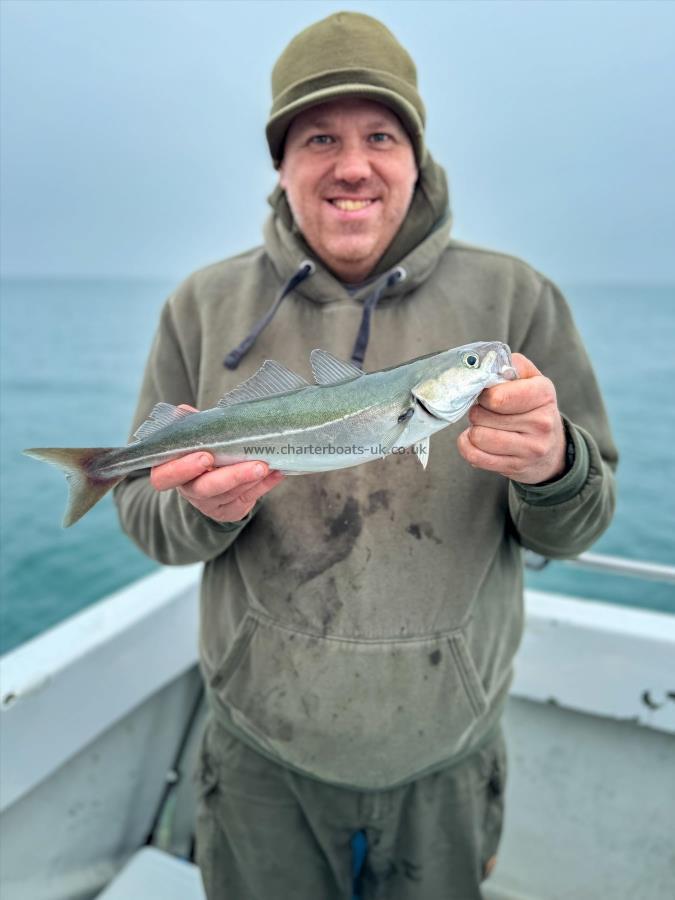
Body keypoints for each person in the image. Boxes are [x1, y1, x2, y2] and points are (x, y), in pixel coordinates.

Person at [114, 11, 618, 900]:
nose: (352, 164)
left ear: (414, 156)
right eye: (318, 138)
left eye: (380, 134)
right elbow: (151, 524)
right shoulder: (200, 305)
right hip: (258, 752)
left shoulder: (514, 298)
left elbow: (579, 522)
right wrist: (198, 506)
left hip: (445, 755)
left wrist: (554, 468)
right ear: (280, 162)